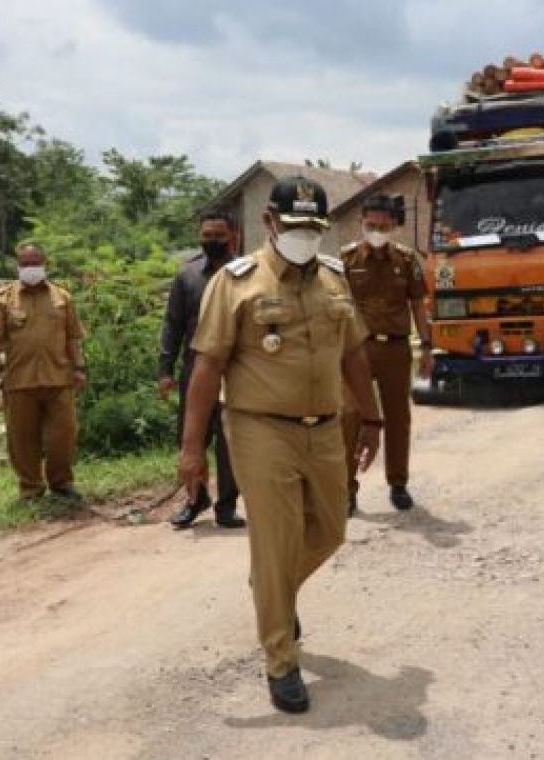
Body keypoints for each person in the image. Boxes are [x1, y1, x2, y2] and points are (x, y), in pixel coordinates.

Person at [179, 176, 382, 715]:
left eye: (314, 228)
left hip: (324, 426)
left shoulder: (335, 280)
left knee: (332, 528)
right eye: (293, 226)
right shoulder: (236, 281)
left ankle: (272, 587)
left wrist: (372, 419)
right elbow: (207, 365)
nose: (304, 236)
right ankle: (281, 660)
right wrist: (192, 448)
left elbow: (354, 355)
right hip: (259, 427)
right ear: (269, 222)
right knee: (275, 537)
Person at [340, 194, 433, 514]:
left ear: (393, 225)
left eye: (382, 225)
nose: (377, 230)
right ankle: (347, 489)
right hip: (357, 351)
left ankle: (398, 483)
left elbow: (418, 305)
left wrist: (426, 346)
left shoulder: (406, 261)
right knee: (352, 418)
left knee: (398, 418)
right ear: (361, 224)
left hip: (395, 348)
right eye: (371, 225)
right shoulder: (346, 259)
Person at [158, 209, 245, 529]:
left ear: (233, 236)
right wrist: (164, 370)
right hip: (196, 369)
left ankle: (227, 505)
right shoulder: (187, 276)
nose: (211, 242)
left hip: (238, 370)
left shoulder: (247, 274)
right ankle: (195, 500)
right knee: (191, 436)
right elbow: (173, 326)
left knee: (229, 440)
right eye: (206, 236)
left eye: (218, 236)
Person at [0, 243, 88, 502]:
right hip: (20, 381)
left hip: (58, 378)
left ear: (44, 264)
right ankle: (30, 489)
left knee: (63, 436)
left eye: (35, 263)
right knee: (22, 440)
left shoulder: (62, 298)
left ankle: (62, 484)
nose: (31, 268)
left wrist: (80, 368)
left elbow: (73, 337)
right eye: (25, 264)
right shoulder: (4, 299)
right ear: (18, 266)